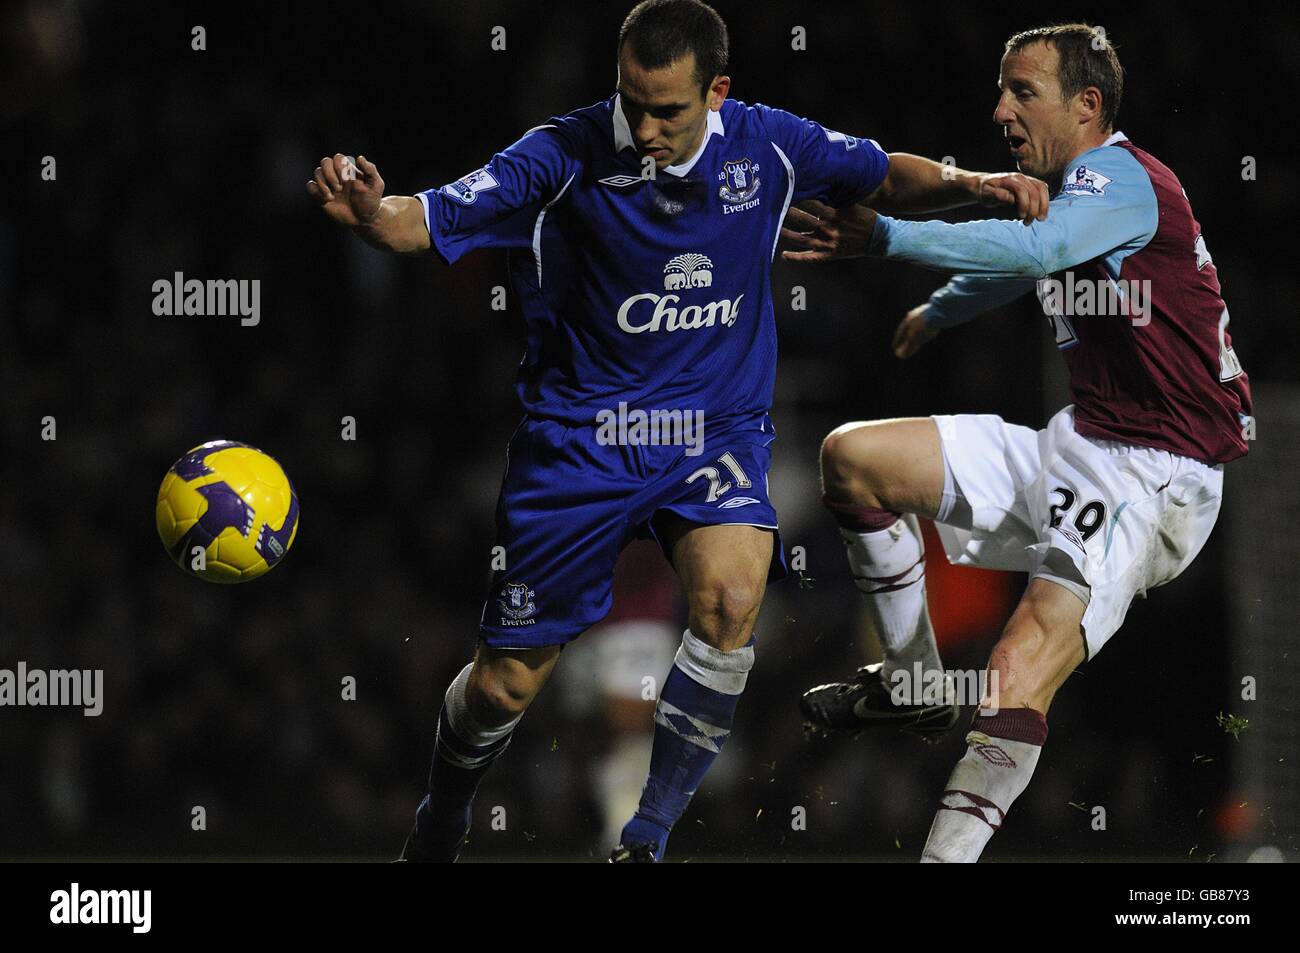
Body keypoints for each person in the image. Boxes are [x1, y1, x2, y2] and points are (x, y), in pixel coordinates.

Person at [308, 0, 1046, 862]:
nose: (646, 126)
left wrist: (972, 184)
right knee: (505, 687)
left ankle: (647, 838)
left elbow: (880, 174)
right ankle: (443, 813)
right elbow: (418, 220)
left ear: (718, 93)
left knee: (733, 599)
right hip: (581, 440)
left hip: (715, 430)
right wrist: (368, 210)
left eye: (668, 110)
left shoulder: (769, 143)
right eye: (632, 101)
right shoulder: (564, 154)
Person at [786, 23, 1252, 862]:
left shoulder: (1124, 178)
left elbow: (1040, 249)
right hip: (1085, 442)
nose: (1000, 109)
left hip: (1159, 472)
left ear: (1088, 105)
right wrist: (946, 307)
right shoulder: (1080, 189)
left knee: (1015, 665)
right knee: (853, 460)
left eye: (1022, 92)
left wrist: (885, 236)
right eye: (1001, 90)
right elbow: (1030, 261)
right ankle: (910, 679)